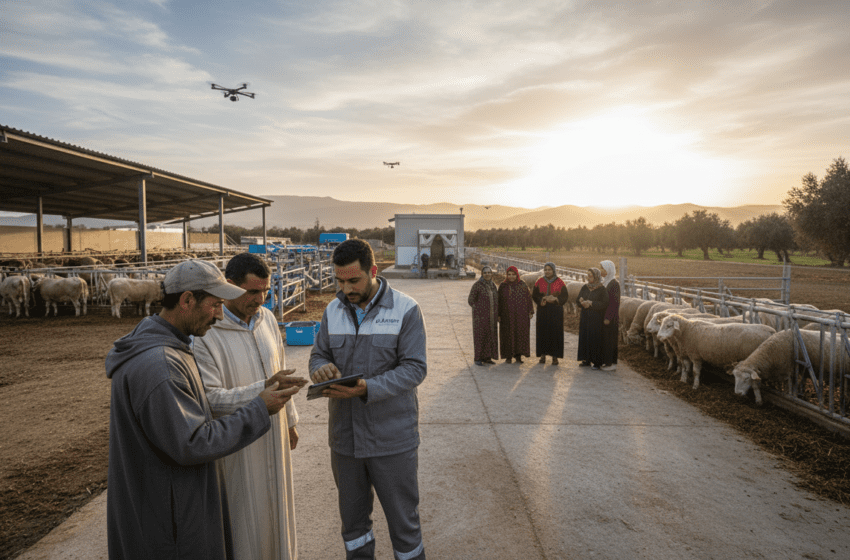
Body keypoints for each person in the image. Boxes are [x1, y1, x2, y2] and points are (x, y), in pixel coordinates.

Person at [105, 259, 298, 560]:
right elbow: (193, 442)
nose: (220, 314)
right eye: (215, 304)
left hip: (166, 507)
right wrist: (259, 407)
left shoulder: (169, 350)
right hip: (170, 520)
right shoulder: (162, 366)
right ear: (187, 300)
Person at [309, 239, 427, 560]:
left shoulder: (406, 310)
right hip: (346, 442)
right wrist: (320, 369)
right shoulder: (332, 311)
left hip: (391, 440)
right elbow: (318, 354)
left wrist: (366, 388)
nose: (346, 288)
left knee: (405, 526)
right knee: (354, 527)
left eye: (354, 280)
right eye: (340, 281)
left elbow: (415, 369)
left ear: (373, 271)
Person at [193, 253, 308, 560]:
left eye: (265, 291)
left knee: (278, 511)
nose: (261, 299)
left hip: (274, 433)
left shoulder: (267, 319)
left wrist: (290, 421)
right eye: (253, 292)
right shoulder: (207, 333)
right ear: (229, 287)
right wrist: (262, 394)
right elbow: (211, 399)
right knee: (245, 518)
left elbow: (280, 369)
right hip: (237, 442)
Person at [532, 262, 568, 365]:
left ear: (554, 270)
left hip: (555, 311)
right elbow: (534, 295)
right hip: (543, 311)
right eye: (545, 270)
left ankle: (555, 356)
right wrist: (541, 300)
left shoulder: (560, 282)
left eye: (549, 269)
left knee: (555, 332)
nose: (547, 271)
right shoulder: (539, 281)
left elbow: (565, 297)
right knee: (542, 332)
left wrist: (556, 299)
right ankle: (542, 355)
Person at [498, 266, 534, 363]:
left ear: (517, 274)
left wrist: (530, 311)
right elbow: (499, 301)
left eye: (513, 274)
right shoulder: (503, 286)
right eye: (509, 275)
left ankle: (518, 355)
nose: (511, 277)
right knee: (507, 334)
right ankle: (508, 356)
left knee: (519, 334)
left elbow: (528, 298)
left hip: (520, 315)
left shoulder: (522, 285)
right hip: (506, 316)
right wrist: (498, 314)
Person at [577, 267, 610, 370]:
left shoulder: (602, 289)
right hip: (585, 316)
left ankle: (596, 362)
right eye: (587, 275)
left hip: (596, 318)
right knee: (585, 336)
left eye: (590, 275)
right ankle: (586, 359)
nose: (588, 277)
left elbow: (604, 303)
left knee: (595, 338)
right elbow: (578, 299)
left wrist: (591, 303)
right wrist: (581, 301)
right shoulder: (585, 287)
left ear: (596, 277)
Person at [468, 266, 499, 365]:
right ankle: (478, 358)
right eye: (485, 273)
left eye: (489, 272)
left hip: (491, 317)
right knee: (480, 337)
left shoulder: (493, 285)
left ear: (491, 274)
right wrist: (479, 310)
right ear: (482, 274)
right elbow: (470, 300)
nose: (487, 274)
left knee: (490, 336)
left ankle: (487, 357)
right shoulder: (477, 285)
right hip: (480, 318)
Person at [599, 260, 620, 371]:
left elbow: (614, 303)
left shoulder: (614, 284)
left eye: (603, 268)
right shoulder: (605, 282)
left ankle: (612, 363)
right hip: (605, 315)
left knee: (610, 339)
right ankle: (606, 361)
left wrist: (608, 317)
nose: (601, 271)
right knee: (605, 339)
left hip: (611, 318)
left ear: (609, 270)